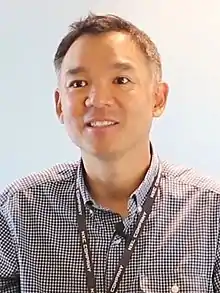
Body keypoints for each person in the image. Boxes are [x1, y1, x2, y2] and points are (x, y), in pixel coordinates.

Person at [0, 13, 220, 293]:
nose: (98, 99)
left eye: (121, 79)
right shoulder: (17, 211)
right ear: (59, 105)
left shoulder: (211, 213)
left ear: (158, 98)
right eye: (78, 84)